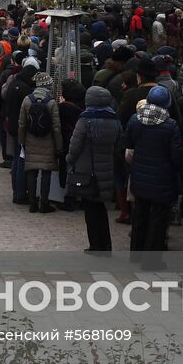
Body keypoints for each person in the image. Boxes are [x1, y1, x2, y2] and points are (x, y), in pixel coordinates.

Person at [124, 85, 183, 268]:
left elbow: (129, 143)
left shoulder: (135, 120)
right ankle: (152, 261)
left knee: (139, 216)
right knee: (158, 220)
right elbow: (176, 156)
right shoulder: (170, 125)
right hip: (162, 179)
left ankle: (136, 254)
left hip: (139, 177)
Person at [64, 86, 120, 252]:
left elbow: (74, 146)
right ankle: (106, 244)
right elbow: (119, 145)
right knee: (101, 208)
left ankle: (96, 244)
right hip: (106, 171)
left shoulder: (85, 120)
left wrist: (69, 160)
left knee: (90, 209)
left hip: (86, 171)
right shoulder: (114, 120)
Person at [19, 71, 64, 214]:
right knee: (46, 173)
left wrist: (22, 142)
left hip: (30, 140)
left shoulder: (27, 100)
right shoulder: (51, 102)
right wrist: (59, 146)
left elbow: (22, 124)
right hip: (48, 141)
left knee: (31, 172)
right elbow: (56, 127)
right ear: (48, 85)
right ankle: (44, 204)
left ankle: (32, 203)